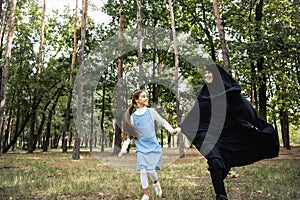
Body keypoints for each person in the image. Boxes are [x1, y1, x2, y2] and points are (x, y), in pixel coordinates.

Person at [174, 63, 279, 200]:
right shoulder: (204, 94)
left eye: (210, 73)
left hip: (229, 136)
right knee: (215, 161)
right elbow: (194, 115)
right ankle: (221, 195)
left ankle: (218, 176)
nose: (207, 75)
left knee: (221, 165)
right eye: (205, 73)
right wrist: (180, 128)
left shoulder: (231, 94)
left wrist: (262, 128)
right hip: (207, 135)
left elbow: (248, 113)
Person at [118, 89, 178, 200]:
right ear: (136, 100)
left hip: (153, 146)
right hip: (141, 146)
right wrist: (123, 149)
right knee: (143, 169)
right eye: (143, 96)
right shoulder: (133, 117)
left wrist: (171, 130)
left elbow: (163, 122)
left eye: (146, 96)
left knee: (151, 170)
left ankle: (156, 183)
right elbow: (129, 135)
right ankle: (146, 194)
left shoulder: (151, 112)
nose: (146, 98)